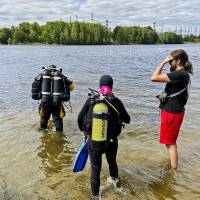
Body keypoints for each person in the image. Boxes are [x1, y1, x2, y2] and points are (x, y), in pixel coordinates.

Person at [77, 75, 130, 199]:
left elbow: (80, 118)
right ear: (111, 86)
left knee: (95, 170)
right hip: (111, 141)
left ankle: (95, 197)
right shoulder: (116, 101)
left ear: (100, 86)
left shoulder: (91, 100)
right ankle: (116, 188)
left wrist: (83, 131)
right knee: (112, 163)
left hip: (94, 140)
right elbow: (127, 119)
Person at [151, 49, 193, 169]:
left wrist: (163, 62)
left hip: (172, 113)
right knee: (169, 142)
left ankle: (174, 171)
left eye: (171, 61)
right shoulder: (183, 74)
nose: (170, 63)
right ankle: (172, 166)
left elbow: (154, 77)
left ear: (178, 61)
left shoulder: (180, 74)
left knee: (171, 144)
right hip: (173, 111)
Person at [32, 65, 74, 132]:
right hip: (57, 103)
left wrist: (41, 93)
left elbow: (34, 92)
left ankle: (44, 135)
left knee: (44, 119)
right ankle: (59, 136)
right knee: (58, 121)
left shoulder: (42, 76)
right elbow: (72, 87)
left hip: (45, 102)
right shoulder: (60, 76)